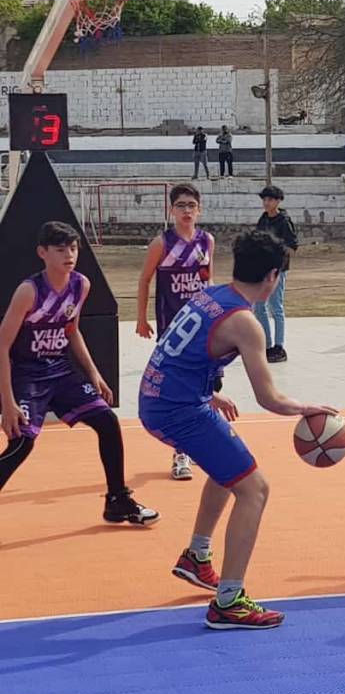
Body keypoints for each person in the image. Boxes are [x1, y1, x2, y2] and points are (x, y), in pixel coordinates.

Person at [139, 230, 336, 629]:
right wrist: (307, 408)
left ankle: (197, 556)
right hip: (176, 409)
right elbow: (270, 399)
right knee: (255, 488)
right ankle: (229, 600)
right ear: (272, 277)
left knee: (230, 470)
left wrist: (207, 395)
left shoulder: (209, 294)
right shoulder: (246, 322)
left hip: (165, 398)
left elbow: (181, 353)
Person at [0, 221, 158, 525]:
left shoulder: (80, 285)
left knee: (107, 422)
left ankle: (118, 500)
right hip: (27, 374)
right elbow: (2, 346)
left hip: (60, 370)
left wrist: (94, 373)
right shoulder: (29, 291)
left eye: (73, 248)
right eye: (60, 250)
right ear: (42, 253)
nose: (69, 255)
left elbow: (71, 331)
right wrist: (7, 402)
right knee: (22, 443)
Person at [136, 183, 216, 481]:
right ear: (171, 209)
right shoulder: (162, 243)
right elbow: (144, 281)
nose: (186, 210)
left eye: (191, 205)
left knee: (207, 389)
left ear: (199, 208)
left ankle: (201, 447)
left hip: (204, 330)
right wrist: (141, 319)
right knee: (179, 392)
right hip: (173, 332)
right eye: (180, 205)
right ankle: (181, 452)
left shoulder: (207, 241)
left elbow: (210, 283)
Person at [256, 185, 299, 363]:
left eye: (270, 200)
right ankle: (267, 345)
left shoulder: (284, 221)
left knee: (276, 307)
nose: (267, 203)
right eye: (265, 199)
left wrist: (276, 254)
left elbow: (292, 246)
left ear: (278, 201)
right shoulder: (263, 219)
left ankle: (279, 346)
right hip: (262, 268)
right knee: (259, 307)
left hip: (278, 269)